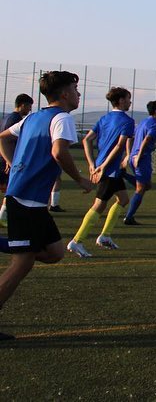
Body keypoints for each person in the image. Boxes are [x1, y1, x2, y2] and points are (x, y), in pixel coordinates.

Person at [0, 71, 93, 341]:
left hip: (29, 199)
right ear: (64, 94)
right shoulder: (62, 118)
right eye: (75, 89)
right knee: (22, 263)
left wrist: (13, 164)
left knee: (55, 252)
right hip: (26, 200)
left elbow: (2, 138)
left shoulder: (33, 117)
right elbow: (58, 152)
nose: (78, 94)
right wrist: (80, 179)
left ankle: (14, 244)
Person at [67, 87, 135, 256]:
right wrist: (103, 166)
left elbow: (87, 140)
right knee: (99, 204)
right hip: (108, 169)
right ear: (121, 100)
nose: (130, 101)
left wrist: (92, 163)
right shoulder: (127, 121)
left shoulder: (104, 118)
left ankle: (105, 236)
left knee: (123, 199)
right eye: (128, 98)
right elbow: (119, 145)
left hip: (107, 168)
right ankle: (77, 241)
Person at [123, 101, 156, 225]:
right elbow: (146, 140)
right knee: (141, 188)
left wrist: (129, 154)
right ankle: (129, 217)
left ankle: (122, 174)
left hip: (135, 157)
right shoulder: (155, 125)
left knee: (147, 186)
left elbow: (129, 138)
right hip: (142, 158)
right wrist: (139, 156)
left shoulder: (142, 122)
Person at [0, 94, 34, 227]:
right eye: (29, 106)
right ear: (23, 105)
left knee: (11, 189)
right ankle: (3, 216)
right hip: (9, 161)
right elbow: (7, 141)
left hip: (6, 159)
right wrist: (9, 161)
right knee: (13, 189)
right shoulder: (16, 119)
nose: (30, 109)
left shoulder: (7, 117)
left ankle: (4, 215)